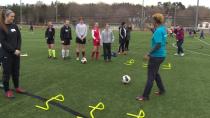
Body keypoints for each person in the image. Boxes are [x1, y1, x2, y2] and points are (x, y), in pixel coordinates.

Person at [136, 13, 167, 101]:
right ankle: (162, 90)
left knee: (150, 77)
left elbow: (158, 44)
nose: (152, 22)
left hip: (156, 57)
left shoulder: (158, 31)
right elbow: (158, 36)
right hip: (161, 56)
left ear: (155, 21)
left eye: (153, 20)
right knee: (156, 74)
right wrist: (152, 30)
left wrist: (148, 54)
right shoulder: (162, 29)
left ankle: (145, 96)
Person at [0, 9, 25, 98]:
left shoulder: (14, 26)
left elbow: (19, 38)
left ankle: (17, 87)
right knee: (7, 73)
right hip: (6, 54)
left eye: (14, 16)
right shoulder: (1, 27)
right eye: (12, 16)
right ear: (6, 16)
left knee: (16, 71)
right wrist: (13, 50)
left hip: (16, 53)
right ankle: (7, 91)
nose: (13, 18)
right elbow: (3, 42)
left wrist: (18, 49)